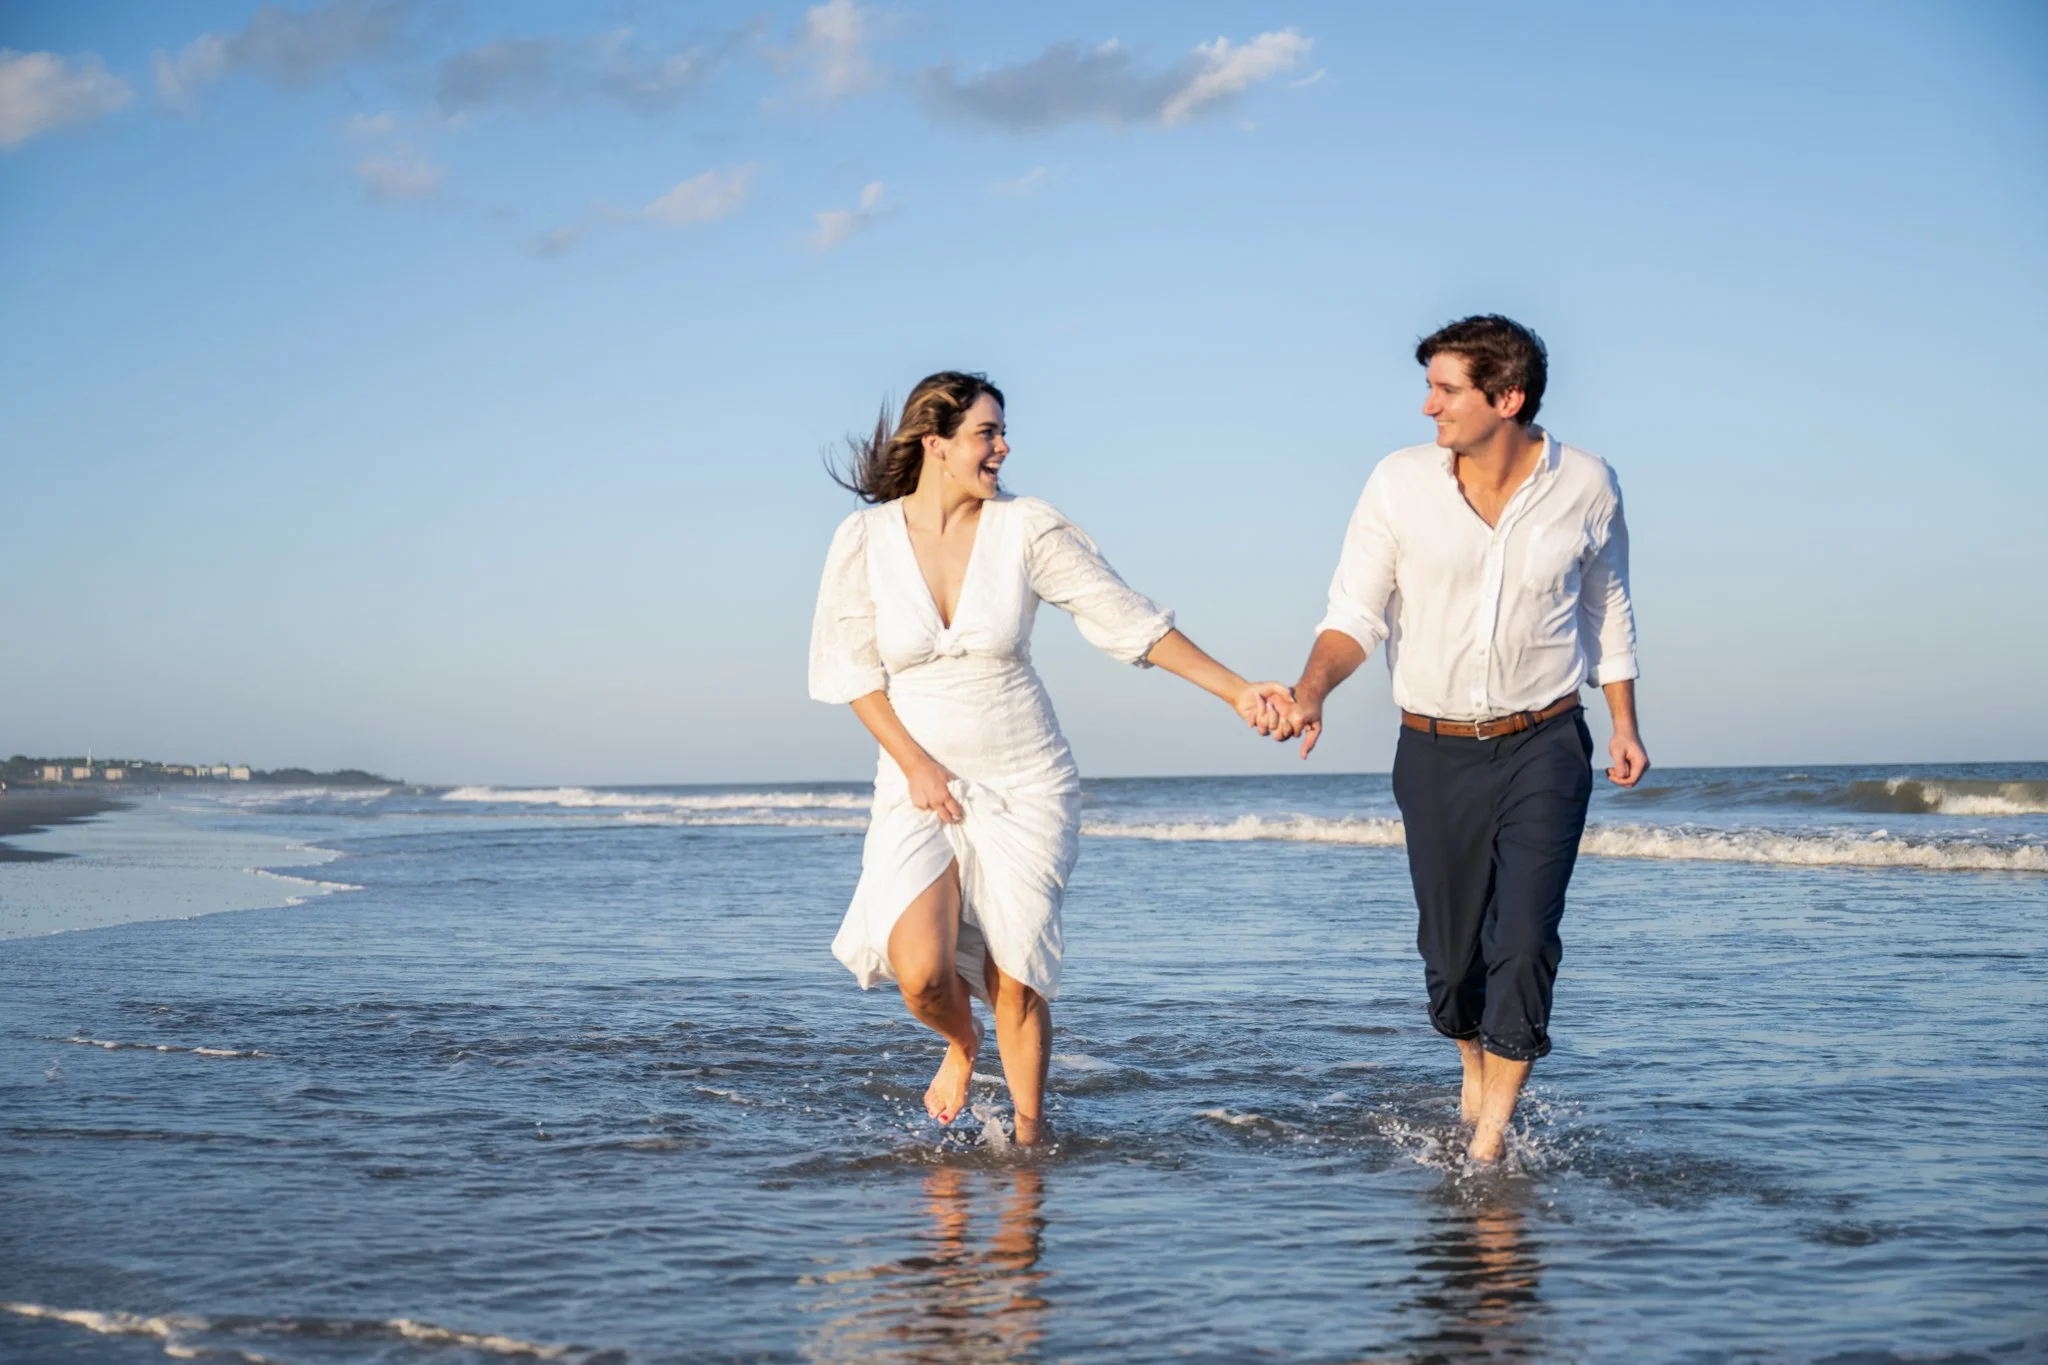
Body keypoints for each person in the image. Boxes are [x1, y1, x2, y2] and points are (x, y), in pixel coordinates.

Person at [809, 371, 1291, 1146]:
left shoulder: (1024, 529)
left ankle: (1031, 1140)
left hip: (1025, 779)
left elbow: (1127, 619)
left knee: (1016, 972)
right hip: (917, 779)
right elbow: (851, 671)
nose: (1002, 447)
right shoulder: (863, 541)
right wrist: (914, 763)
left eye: (1002, 433)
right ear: (935, 443)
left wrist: (1235, 690)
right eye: (986, 434)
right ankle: (962, 1044)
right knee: (922, 972)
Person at [1271, 316, 1648, 1163]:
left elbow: (1608, 607)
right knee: (1450, 958)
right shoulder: (1398, 483)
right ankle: (1473, 1063)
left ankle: (1489, 1137)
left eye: (1446, 390)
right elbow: (1354, 614)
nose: (1427, 405)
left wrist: (1623, 721)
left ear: (1506, 398)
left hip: (1546, 739)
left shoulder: (1588, 484)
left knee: (1523, 936)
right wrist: (1311, 691)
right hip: (1434, 747)